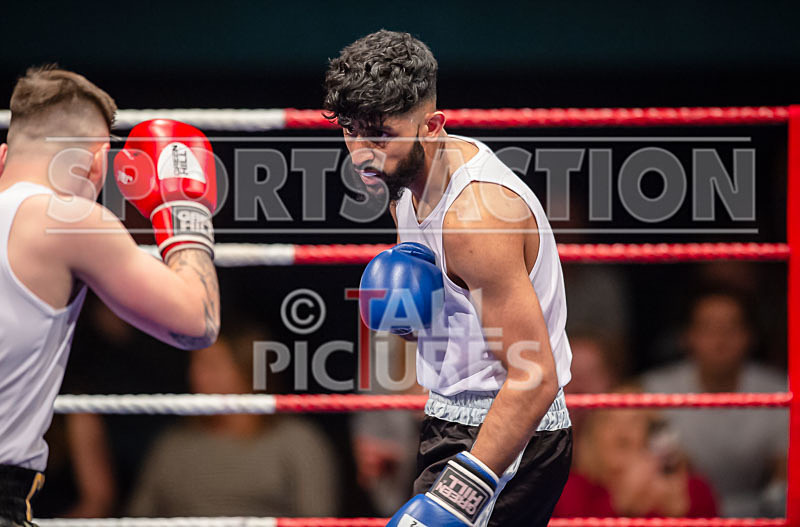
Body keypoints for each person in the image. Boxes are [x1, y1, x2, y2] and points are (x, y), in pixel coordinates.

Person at [326, 31, 572, 526]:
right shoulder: (406, 189)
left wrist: (465, 490)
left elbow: (535, 376)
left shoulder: (475, 219)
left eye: (381, 135)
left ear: (433, 126)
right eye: (352, 130)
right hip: (449, 417)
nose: (362, 154)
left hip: (509, 435)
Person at [0, 65, 220, 526]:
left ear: (4, 156)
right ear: (99, 162)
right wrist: (184, 210)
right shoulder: (66, 218)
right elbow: (197, 321)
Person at [127, 322, 340, 517]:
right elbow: (139, 517)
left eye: (212, 366)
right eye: (196, 366)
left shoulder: (295, 441)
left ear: (247, 370)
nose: (198, 376)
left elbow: (317, 518)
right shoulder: (173, 444)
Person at [642, 287, 788, 517]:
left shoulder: (778, 392)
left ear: (750, 336)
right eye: (708, 328)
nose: (720, 340)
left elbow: (785, 480)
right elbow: (662, 475)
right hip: (684, 515)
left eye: (731, 328)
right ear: (687, 337)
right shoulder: (655, 392)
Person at [553, 385, 718, 517]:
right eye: (610, 421)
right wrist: (619, 504)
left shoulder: (691, 488)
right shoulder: (569, 490)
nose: (622, 432)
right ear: (593, 434)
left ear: (654, 433)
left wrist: (679, 511)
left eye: (634, 422)